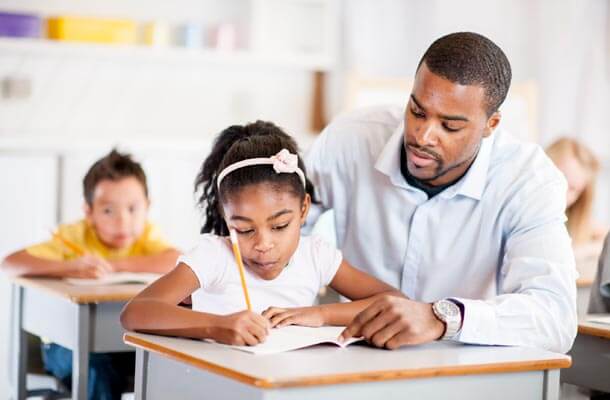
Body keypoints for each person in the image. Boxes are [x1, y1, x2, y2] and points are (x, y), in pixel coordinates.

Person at [305, 32, 577, 353]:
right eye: (417, 112)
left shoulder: (528, 179)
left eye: (450, 126)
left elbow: (554, 318)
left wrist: (442, 317)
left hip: (462, 374)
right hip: (349, 357)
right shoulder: (350, 139)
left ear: (491, 124)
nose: (423, 136)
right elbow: (285, 229)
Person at [120, 121, 403, 345]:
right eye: (243, 229)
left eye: (280, 226)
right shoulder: (214, 256)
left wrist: (320, 314)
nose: (263, 244)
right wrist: (218, 326)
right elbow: (135, 312)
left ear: (304, 209)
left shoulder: (315, 255)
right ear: (225, 216)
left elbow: (395, 303)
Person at [2, 149, 180, 400]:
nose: (123, 222)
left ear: (147, 206)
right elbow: (10, 263)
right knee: (94, 369)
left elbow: (176, 260)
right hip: (66, 348)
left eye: (133, 208)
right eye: (108, 211)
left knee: (170, 363)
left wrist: (115, 265)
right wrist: (70, 266)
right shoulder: (75, 235)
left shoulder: (146, 234)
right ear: (89, 211)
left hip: (124, 345)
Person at [546, 137, 606, 282]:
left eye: (573, 189)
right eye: (560, 180)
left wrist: (586, 249)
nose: (563, 193)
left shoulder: (568, 218)